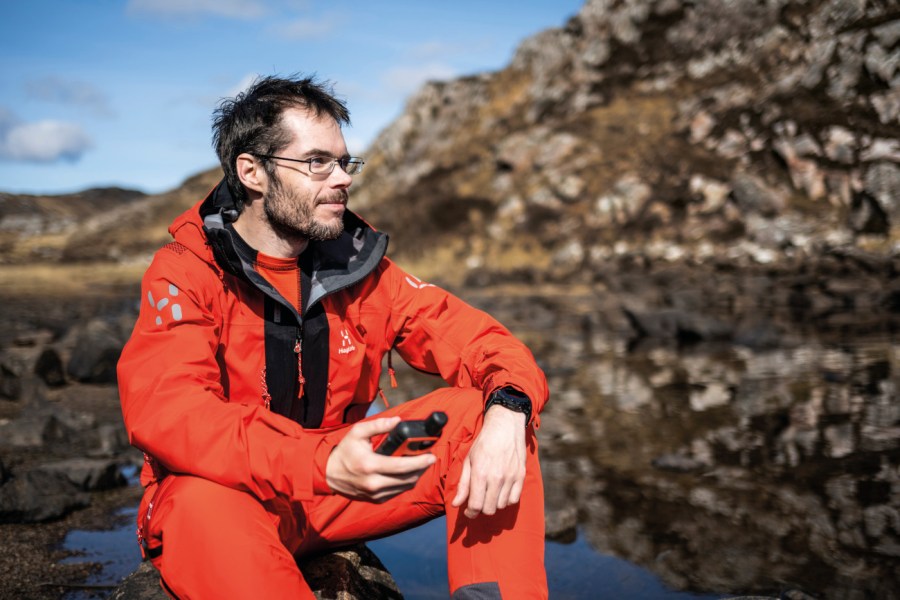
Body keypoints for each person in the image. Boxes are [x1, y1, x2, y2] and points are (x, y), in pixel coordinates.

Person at [117, 75, 549, 599]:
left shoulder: (360, 270)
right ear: (252, 172)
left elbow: (481, 339)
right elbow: (172, 412)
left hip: (333, 491)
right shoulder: (185, 272)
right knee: (198, 497)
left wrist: (507, 408)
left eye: (345, 163)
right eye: (317, 163)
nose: (342, 179)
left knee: (485, 419)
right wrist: (316, 463)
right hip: (223, 501)